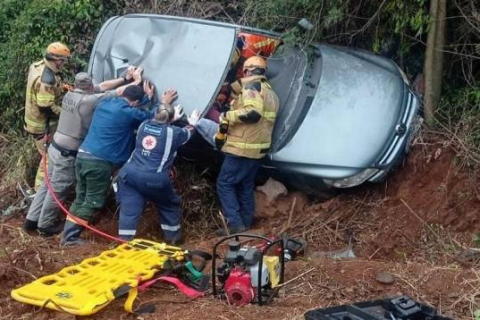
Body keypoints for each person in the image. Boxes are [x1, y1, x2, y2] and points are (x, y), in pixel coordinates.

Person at [23, 67, 141, 236]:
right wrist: (136, 81)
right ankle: (45, 225)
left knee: (47, 185)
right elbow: (121, 93)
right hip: (67, 152)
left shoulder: (70, 94)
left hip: (55, 146)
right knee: (58, 188)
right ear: (89, 87)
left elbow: (104, 86)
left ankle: (31, 220)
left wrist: (124, 77)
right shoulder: (90, 101)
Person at [61, 81, 179, 246]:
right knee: (93, 201)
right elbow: (152, 117)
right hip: (99, 162)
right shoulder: (127, 113)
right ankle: (70, 239)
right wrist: (164, 103)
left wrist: (147, 97)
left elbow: (132, 109)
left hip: (83, 156)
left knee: (81, 198)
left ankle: (67, 235)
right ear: (135, 103)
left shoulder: (106, 103)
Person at [116, 106, 200, 244]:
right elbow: (188, 133)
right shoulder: (174, 133)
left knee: (129, 207)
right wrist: (192, 123)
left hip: (128, 175)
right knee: (168, 204)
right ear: (172, 118)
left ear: (155, 114)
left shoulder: (144, 125)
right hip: (154, 179)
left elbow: (158, 128)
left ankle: (124, 241)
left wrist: (171, 119)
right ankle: (173, 239)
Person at [216, 56, 280, 235]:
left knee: (224, 184)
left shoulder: (252, 88)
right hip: (257, 149)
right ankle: (245, 224)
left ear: (247, 71)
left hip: (241, 147)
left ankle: (235, 225)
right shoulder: (271, 93)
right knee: (245, 185)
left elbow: (253, 113)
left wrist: (228, 116)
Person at [24, 42, 71, 191]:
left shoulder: (37, 66)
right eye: (63, 61)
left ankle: (39, 190)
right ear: (58, 60)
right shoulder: (46, 79)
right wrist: (65, 114)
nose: (64, 64)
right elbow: (45, 106)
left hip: (33, 121)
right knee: (48, 159)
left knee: (45, 156)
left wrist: (62, 87)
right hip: (41, 126)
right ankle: (39, 191)